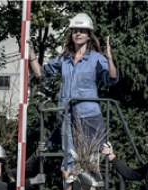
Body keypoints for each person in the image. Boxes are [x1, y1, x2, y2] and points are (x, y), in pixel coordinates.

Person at [27, 13, 119, 170]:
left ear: (89, 35)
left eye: (82, 30)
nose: (78, 33)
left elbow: (112, 79)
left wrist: (109, 58)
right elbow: (40, 73)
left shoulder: (97, 58)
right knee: (69, 159)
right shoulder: (64, 58)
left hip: (89, 116)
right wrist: (31, 54)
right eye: (75, 30)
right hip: (66, 115)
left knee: (89, 159)